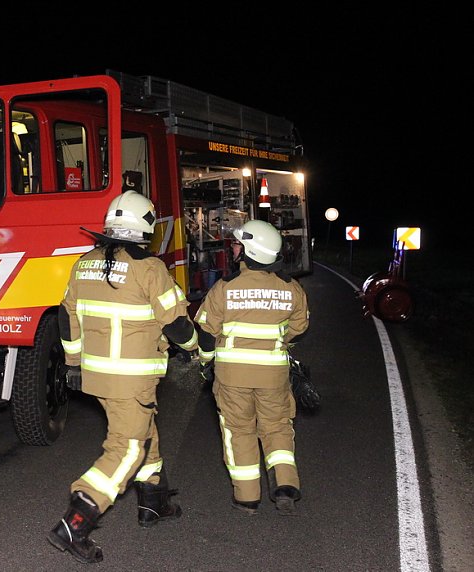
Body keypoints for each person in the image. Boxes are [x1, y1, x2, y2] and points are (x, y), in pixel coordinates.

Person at [48, 191, 199, 564]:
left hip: (96, 376)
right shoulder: (149, 268)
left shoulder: (83, 263)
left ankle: (153, 502)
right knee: (128, 448)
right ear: (145, 226)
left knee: (145, 433)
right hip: (130, 379)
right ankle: (75, 522)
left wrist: (72, 364)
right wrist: (194, 347)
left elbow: (66, 317)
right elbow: (177, 325)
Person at [194, 219, 309, 515]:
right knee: (277, 427)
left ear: (249, 251)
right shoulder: (291, 287)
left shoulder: (225, 287)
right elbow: (299, 327)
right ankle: (285, 486)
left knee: (239, 431)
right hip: (274, 375)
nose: (233, 248)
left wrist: (206, 362)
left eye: (237, 244)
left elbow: (206, 331)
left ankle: (247, 497)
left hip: (232, 377)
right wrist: (279, 341)